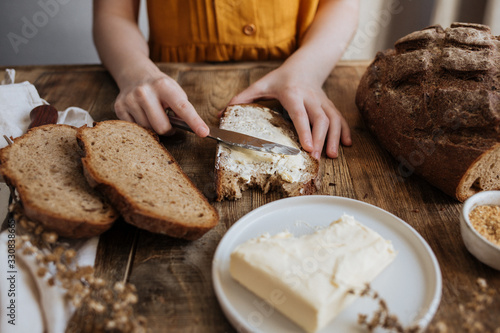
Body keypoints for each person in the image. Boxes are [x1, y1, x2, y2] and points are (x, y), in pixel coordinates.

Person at [93, 0, 359, 159]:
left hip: (299, 73)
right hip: (165, 85)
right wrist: (134, 72)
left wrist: (308, 71)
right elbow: (113, 14)